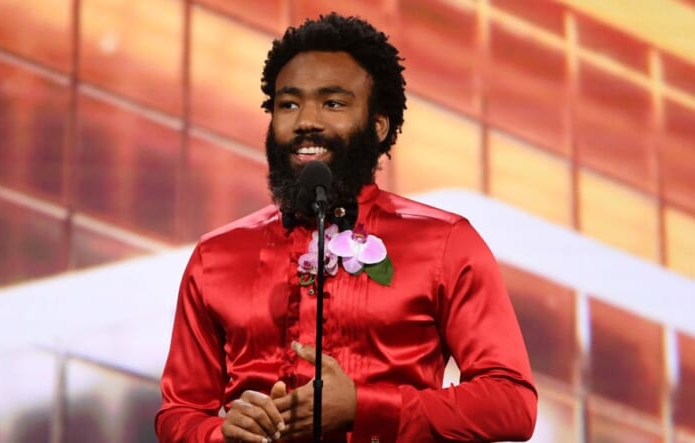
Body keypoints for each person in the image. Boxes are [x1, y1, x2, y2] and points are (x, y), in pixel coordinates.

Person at [155, 12, 537, 443]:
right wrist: (220, 434)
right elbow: (179, 412)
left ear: (378, 124)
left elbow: (511, 402)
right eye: (289, 104)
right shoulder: (216, 256)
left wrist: (363, 407)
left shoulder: (445, 242)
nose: (306, 121)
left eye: (333, 103)